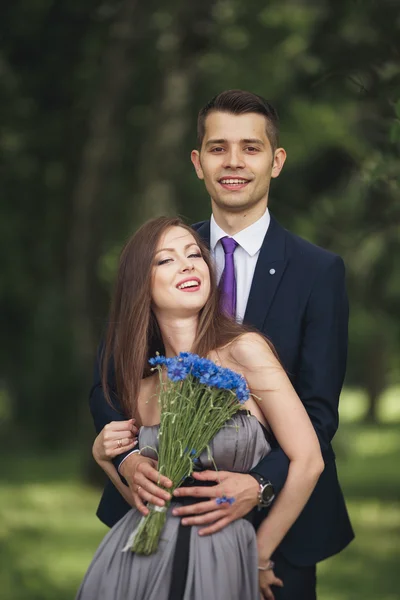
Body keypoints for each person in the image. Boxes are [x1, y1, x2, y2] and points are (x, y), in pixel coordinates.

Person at [89, 90, 354, 599]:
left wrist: (258, 485)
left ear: (276, 162)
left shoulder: (319, 272)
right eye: (218, 148)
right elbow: (107, 382)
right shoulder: (161, 259)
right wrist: (123, 459)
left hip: (283, 526)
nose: (233, 162)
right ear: (198, 162)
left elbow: (318, 415)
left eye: (251, 148)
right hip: (159, 520)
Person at [78, 217, 323, 600]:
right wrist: (107, 459)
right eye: (166, 260)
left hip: (224, 559)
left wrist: (258, 555)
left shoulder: (244, 352)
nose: (188, 264)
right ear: (141, 283)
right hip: (137, 564)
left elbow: (309, 459)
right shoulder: (143, 386)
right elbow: (151, 505)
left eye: (194, 254)